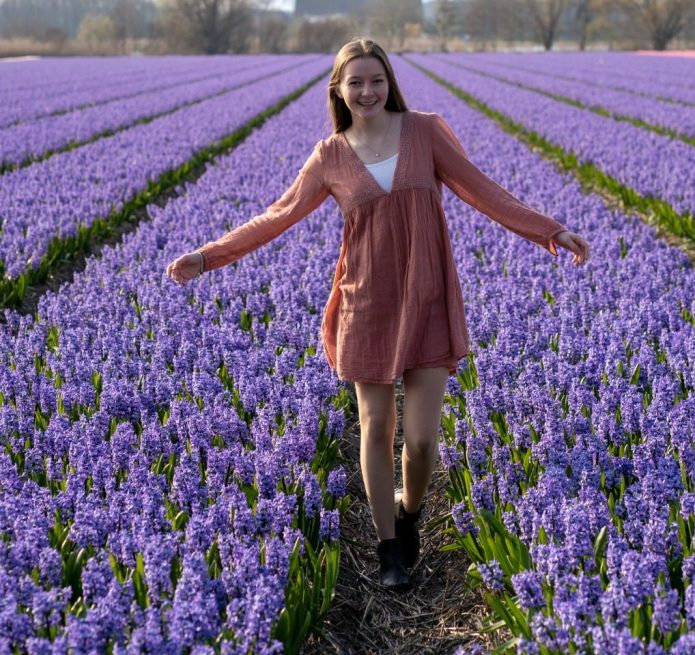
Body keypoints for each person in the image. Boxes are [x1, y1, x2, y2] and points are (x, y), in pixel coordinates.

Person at [166, 38, 589, 592]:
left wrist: (548, 229)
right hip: (365, 302)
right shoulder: (330, 156)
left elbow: (483, 190)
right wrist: (208, 255)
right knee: (375, 427)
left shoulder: (425, 131)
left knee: (420, 440)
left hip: (428, 297)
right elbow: (277, 216)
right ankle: (389, 547)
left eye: (377, 80)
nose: (367, 91)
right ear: (338, 90)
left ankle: (410, 515)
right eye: (356, 82)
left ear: (390, 83)